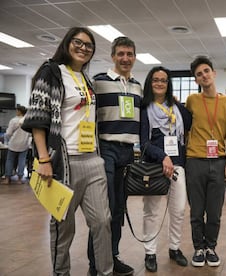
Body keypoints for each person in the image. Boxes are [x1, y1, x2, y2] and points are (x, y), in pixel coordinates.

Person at [21, 27, 113, 275]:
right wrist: (43, 158)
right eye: (78, 42)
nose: (83, 48)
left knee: (103, 222)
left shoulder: (86, 79)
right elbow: (38, 119)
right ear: (67, 43)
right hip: (63, 162)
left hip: (93, 160)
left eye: (89, 45)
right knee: (63, 225)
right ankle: (61, 272)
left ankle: (105, 272)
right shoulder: (51, 72)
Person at [87, 36, 141, 276]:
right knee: (104, 208)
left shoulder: (138, 86)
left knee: (119, 209)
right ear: (113, 56)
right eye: (121, 54)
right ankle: (95, 264)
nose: (125, 58)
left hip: (128, 152)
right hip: (105, 149)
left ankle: (113, 256)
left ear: (135, 57)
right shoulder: (98, 82)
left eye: (129, 54)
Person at [185, 56, 226, 267]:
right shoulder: (192, 101)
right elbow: (185, 130)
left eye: (206, 71)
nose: (204, 75)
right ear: (196, 80)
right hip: (195, 161)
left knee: (214, 211)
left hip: (218, 161)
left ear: (214, 73)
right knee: (196, 210)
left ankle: (211, 247)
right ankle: (199, 247)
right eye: (199, 74)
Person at [140, 66, 192, 272]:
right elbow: (143, 143)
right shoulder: (145, 109)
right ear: (150, 83)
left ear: (168, 84)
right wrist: (163, 157)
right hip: (154, 167)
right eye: (155, 80)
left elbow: (189, 121)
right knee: (151, 212)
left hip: (178, 165)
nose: (160, 83)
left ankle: (174, 248)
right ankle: (150, 252)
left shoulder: (176, 108)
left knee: (178, 210)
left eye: (164, 80)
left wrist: (178, 103)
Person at [1, 105, 31, 185]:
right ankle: (20, 179)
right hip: (24, 144)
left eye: (17, 110)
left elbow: (8, 133)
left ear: (19, 111)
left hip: (13, 144)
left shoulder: (13, 120)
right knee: (22, 161)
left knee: (10, 160)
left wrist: (6, 137)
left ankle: (7, 179)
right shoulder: (28, 120)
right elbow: (30, 134)